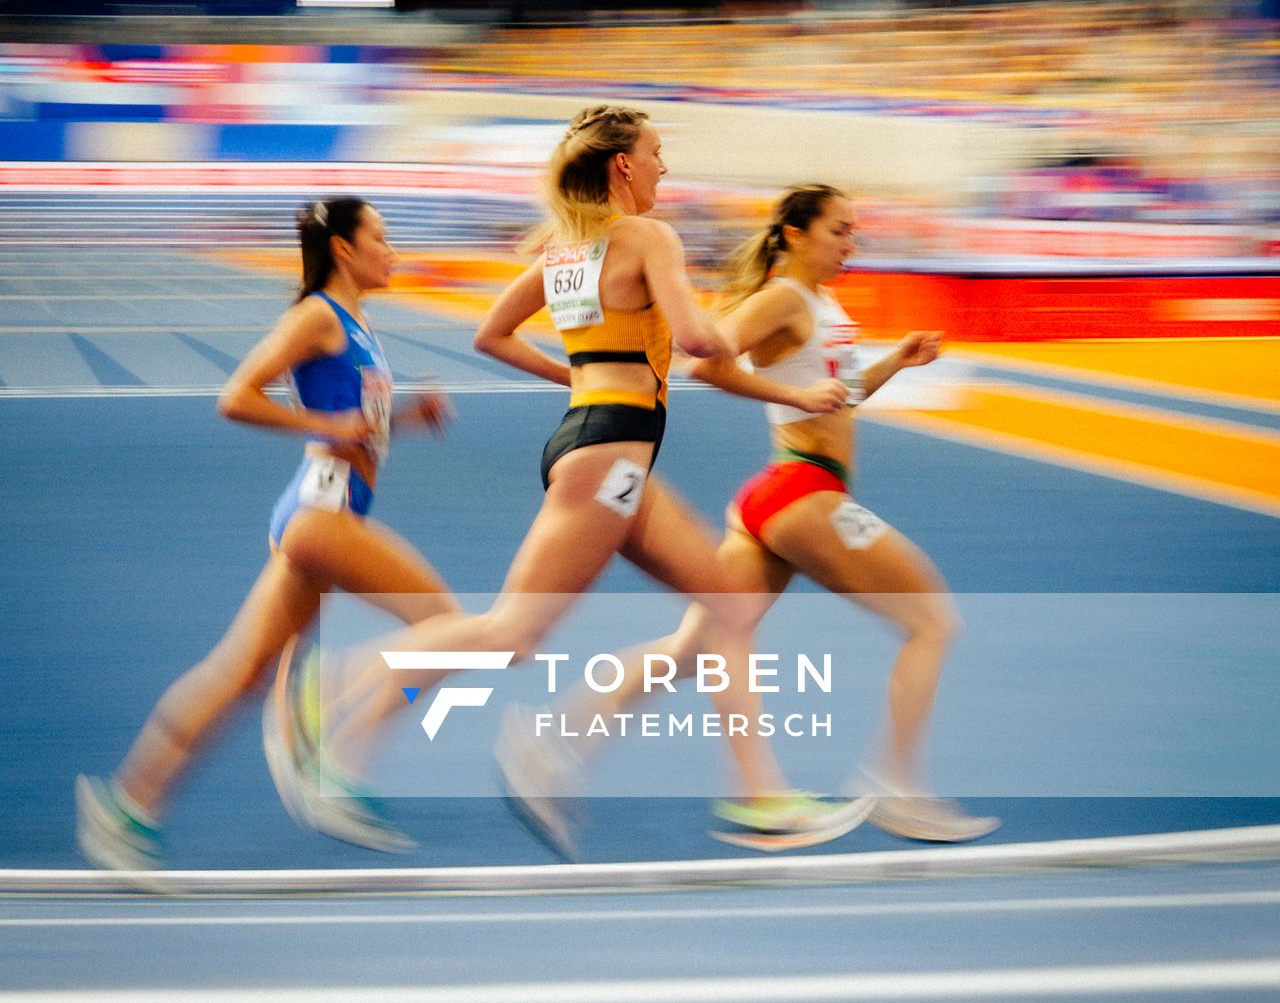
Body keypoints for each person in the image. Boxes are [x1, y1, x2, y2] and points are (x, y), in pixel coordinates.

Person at [272, 109, 870, 854]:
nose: (664, 168)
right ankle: (335, 693)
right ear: (622, 165)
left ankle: (745, 794)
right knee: (513, 633)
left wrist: (581, 376)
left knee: (727, 607)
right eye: (657, 154)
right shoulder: (649, 237)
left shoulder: (566, 250)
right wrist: (769, 363)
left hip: (605, 449)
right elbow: (696, 340)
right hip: (610, 457)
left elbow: (490, 333)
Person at [509, 184, 999, 847]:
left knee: (693, 647)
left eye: (854, 232)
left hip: (777, 499)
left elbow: (836, 398)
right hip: (805, 493)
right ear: (795, 234)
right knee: (932, 621)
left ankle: (551, 741)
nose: (851, 244)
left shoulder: (821, 303)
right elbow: (707, 363)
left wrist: (895, 362)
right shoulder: (784, 297)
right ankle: (894, 785)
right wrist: (794, 391)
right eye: (838, 231)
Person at [76, 195, 459, 869]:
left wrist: (405, 418)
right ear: (343, 247)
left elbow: (354, 420)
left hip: (324, 514)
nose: (393, 251)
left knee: (239, 673)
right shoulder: (317, 315)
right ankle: (327, 715)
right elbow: (238, 395)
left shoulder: (355, 321)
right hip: (321, 515)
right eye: (382, 236)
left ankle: (127, 807)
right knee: (448, 623)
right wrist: (325, 428)